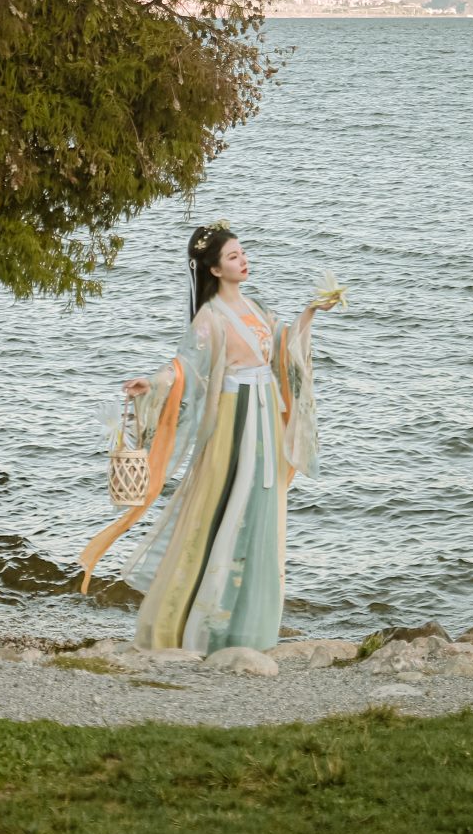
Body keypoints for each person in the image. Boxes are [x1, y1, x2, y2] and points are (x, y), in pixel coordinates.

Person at [78, 221, 341, 656]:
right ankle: (200, 627)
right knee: (222, 511)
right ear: (215, 270)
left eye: (243, 253)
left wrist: (312, 311)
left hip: (264, 416)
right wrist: (153, 382)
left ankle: (248, 627)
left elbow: (282, 345)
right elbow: (185, 365)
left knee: (260, 512)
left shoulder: (255, 307)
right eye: (234, 257)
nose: (243, 261)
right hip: (233, 421)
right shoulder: (210, 316)